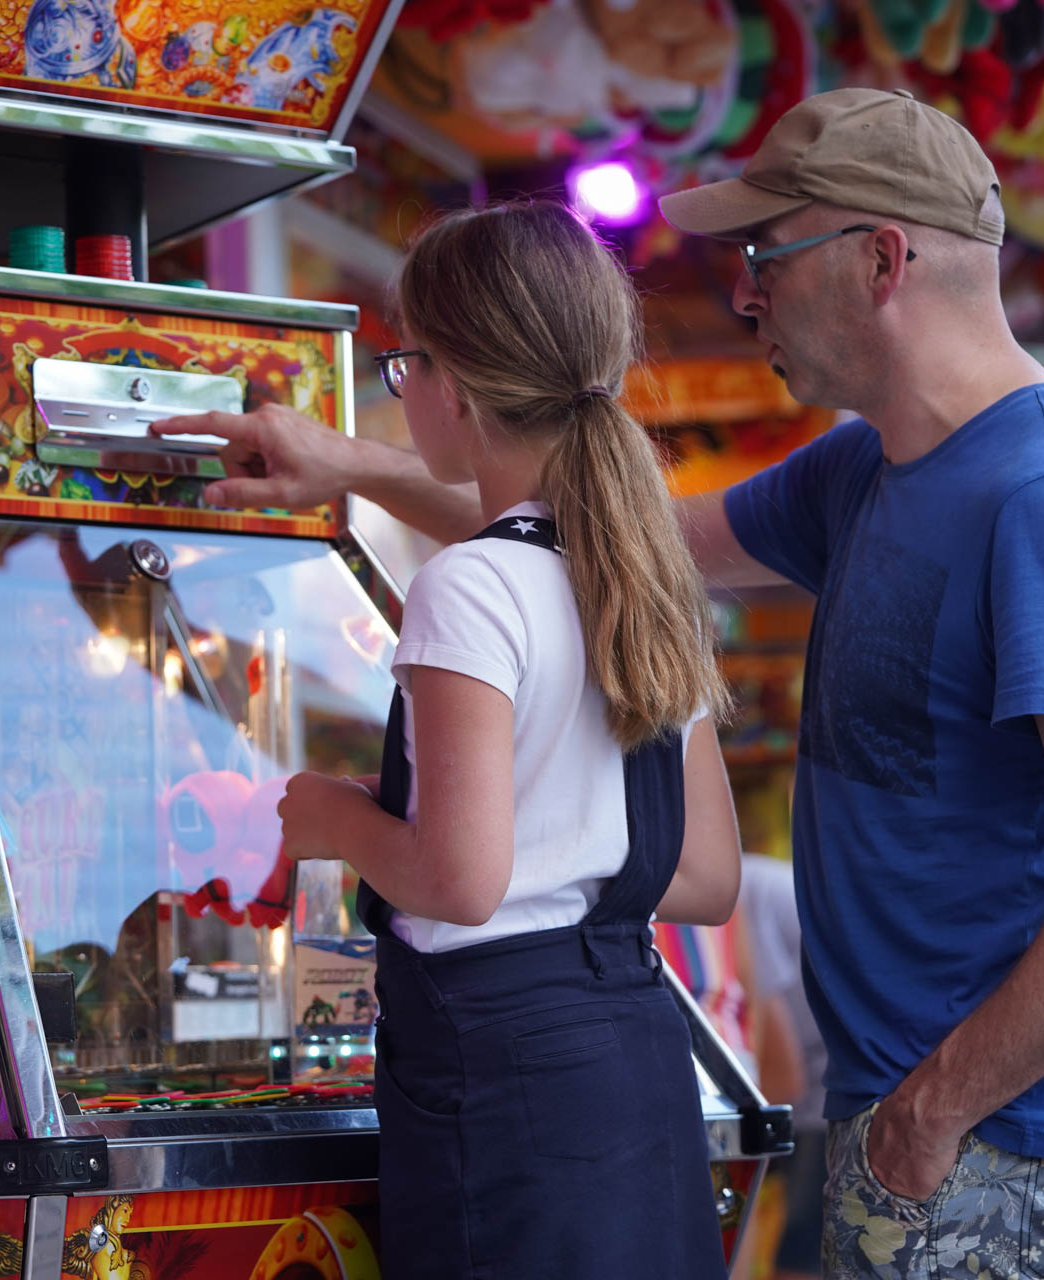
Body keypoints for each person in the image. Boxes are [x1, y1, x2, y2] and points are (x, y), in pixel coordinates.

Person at [155, 88, 1044, 1279]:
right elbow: (587, 526)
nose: (745, 293)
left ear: (881, 260)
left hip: (1012, 1145)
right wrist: (343, 463)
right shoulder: (864, 467)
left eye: (768, 254)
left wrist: (928, 1115)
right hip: (900, 1114)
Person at [261, 202, 743, 1277]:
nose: (403, 390)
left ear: (460, 390)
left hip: (502, 1067)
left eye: (405, 364)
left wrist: (334, 817)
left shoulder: (472, 583)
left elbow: (460, 881)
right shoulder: (648, 579)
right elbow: (706, 876)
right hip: (634, 1048)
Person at [737, 851, 825, 1280]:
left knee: (799, 1254)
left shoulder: (732, 900)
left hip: (831, 1085)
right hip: (822, 1075)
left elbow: (782, 1077)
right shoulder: (743, 883)